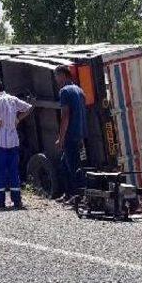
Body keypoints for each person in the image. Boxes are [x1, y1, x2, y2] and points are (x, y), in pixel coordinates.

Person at [0, 79, 33, 209]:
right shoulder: (12, 99)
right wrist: (17, 119)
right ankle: (17, 200)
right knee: (13, 172)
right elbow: (28, 107)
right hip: (13, 142)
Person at [54, 65, 87, 202]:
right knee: (65, 164)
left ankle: (79, 196)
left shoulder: (64, 91)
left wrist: (61, 138)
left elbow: (65, 116)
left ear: (62, 75)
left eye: (56, 75)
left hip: (70, 135)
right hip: (80, 134)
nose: (55, 79)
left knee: (73, 166)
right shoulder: (80, 90)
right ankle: (68, 194)